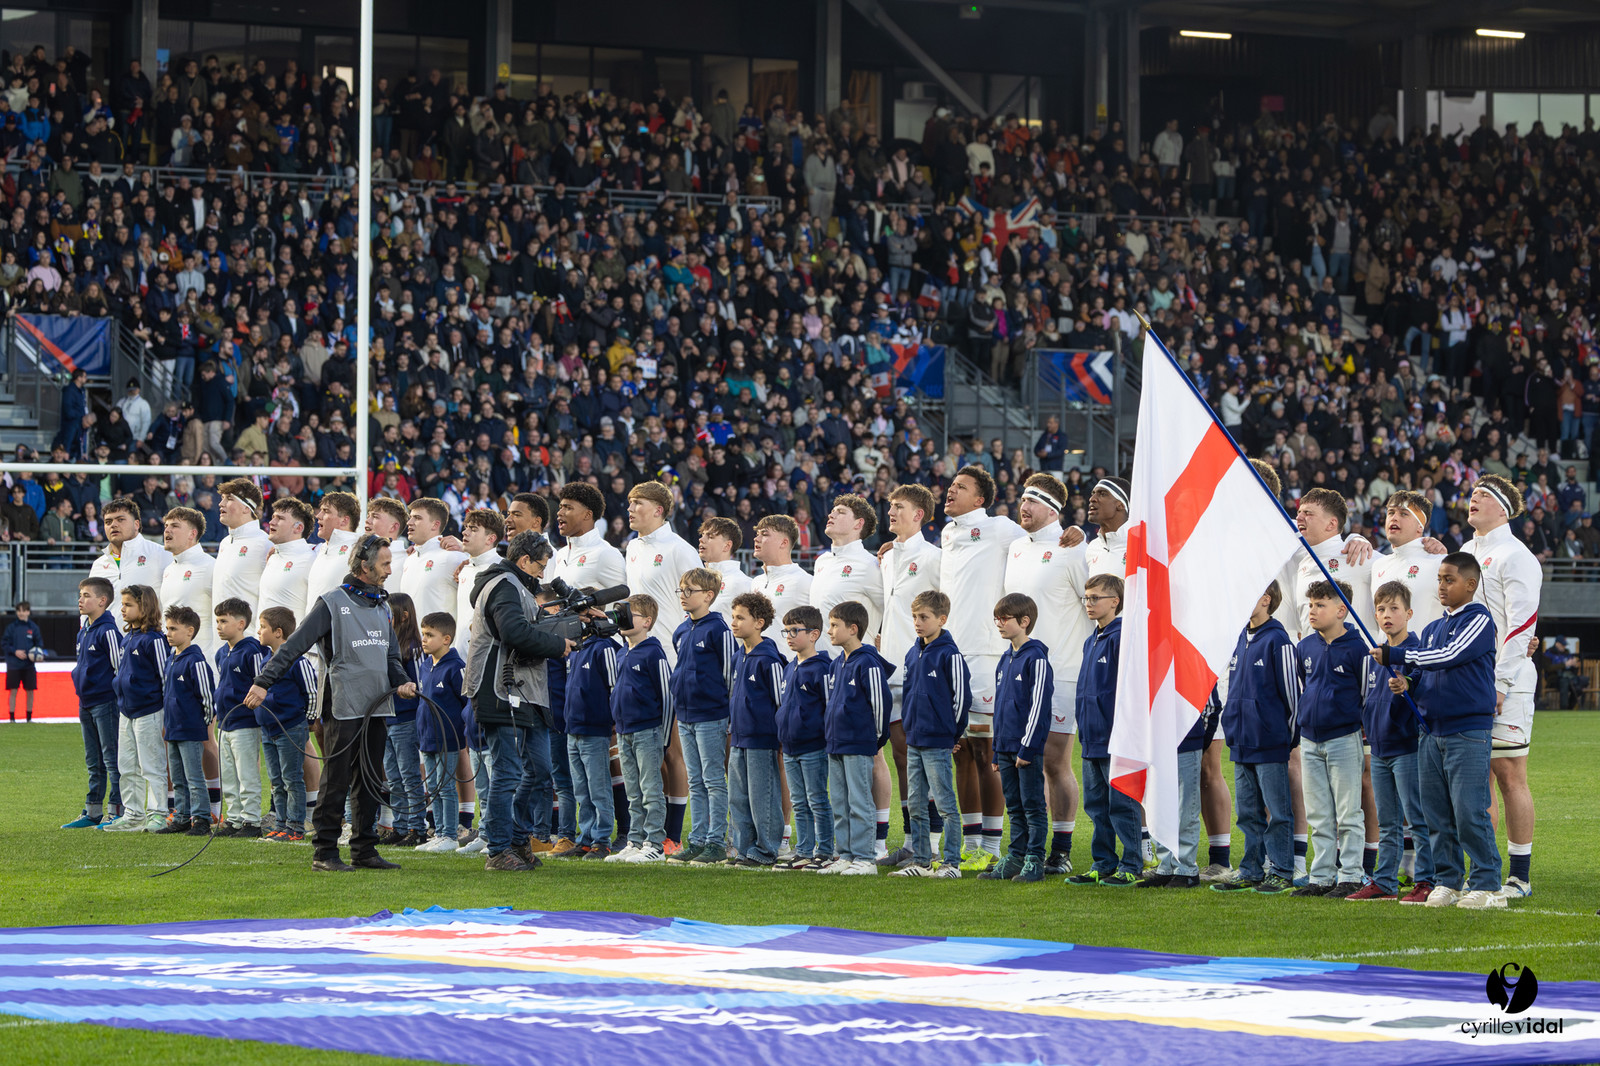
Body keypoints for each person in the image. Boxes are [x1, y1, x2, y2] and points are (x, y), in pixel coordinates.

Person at [245, 534, 418, 873]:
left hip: (377, 708)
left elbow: (392, 658)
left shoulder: (383, 606)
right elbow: (293, 646)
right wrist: (263, 682)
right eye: (384, 563)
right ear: (364, 566)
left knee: (371, 780)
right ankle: (324, 852)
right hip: (342, 706)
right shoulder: (331, 602)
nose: (389, 569)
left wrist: (404, 682)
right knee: (336, 780)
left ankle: (364, 850)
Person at [1375, 552, 1503, 909]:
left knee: (1468, 810)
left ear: (1470, 584)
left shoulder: (1479, 621)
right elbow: (1427, 673)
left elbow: (1449, 655)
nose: (1442, 586)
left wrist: (1396, 656)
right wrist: (1409, 685)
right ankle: (1449, 881)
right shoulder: (1431, 628)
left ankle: (1487, 882)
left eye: (1450, 579)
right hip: (1430, 731)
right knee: (1437, 813)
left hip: (1467, 730)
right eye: (1440, 579)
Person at [458, 529, 571, 871]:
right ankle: (498, 849)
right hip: (498, 688)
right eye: (540, 566)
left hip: (522, 690)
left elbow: (526, 627)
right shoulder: (505, 584)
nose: (542, 574)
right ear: (524, 560)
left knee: (536, 769)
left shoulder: (514, 585)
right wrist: (558, 646)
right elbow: (514, 632)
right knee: (507, 772)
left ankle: (518, 841)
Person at [1459, 475, 1542, 900]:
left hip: (1505, 683)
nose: (1473, 499)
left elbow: (1522, 623)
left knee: (1509, 773)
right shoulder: (1465, 553)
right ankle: (1484, 872)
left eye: (1483, 496)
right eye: (1471, 494)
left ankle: (1520, 876)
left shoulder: (1517, 555)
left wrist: (1503, 682)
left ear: (1503, 510)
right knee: (1477, 780)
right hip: (1468, 682)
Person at [941, 465, 1024, 868]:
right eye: (951, 485)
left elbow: (1039, 539)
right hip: (952, 655)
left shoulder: (1000, 528)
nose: (951, 490)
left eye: (961, 487)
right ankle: (971, 844)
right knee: (960, 751)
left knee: (986, 751)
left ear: (980, 499)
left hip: (987, 655)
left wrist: (1069, 534)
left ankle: (992, 846)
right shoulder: (946, 534)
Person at [1004, 473, 1087, 875]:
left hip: (1064, 670)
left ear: (1052, 510)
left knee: (1054, 760)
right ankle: (1028, 847)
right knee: (1024, 759)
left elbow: (1096, 603)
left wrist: (1080, 535)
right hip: (1020, 670)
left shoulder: (1072, 549)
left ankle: (1062, 847)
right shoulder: (1017, 547)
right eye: (1022, 499)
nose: (1024, 506)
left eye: (1032, 501)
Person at [623, 481, 698, 849]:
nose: (630, 508)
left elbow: (702, 600)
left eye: (638, 503)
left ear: (658, 509)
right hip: (637, 657)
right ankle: (645, 832)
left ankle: (673, 835)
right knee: (644, 749)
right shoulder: (632, 547)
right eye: (629, 503)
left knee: (672, 750)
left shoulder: (678, 549)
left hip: (671, 659)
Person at [1212, 582, 1300, 895]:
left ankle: (1281, 870)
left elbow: (1293, 696)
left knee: (1277, 812)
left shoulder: (1279, 640)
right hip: (1241, 740)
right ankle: (1250, 869)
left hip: (1270, 741)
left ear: (1266, 600)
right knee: (1248, 812)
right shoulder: (1239, 637)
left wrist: (1283, 737)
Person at [1348, 581, 1432, 903]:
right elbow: (1368, 698)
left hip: (1407, 747)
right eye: (1381, 609)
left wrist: (1407, 686)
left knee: (1418, 818)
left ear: (1408, 613)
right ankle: (1384, 881)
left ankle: (1425, 879)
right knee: (1387, 822)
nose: (1386, 615)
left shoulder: (1417, 651)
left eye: (1394, 609)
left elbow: (1424, 690)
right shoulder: (1373, 655)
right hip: (1379, 747)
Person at [1291, 579, 1368, 899]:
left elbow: (1365, 692)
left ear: (1342, 610)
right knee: (1319, 813)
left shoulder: (1358, 648)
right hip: (1310, 740)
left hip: (1343, 739)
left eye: (1320, 605)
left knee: (1348, 812)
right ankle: (1321, 876)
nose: (1312, 610)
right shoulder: (1305, 646)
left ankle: (1351, 874)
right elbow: (1302, 687)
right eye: (1311, 604)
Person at [876, 483, 940, 864]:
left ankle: (931, 842)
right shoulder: (886, 557)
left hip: (920, 669)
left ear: (919, 514)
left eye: (899, 507)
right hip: (890, 668)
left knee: (921, 758)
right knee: (901, 757)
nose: (891, 513)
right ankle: (913, 838)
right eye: (890, 507)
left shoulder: (934, 557)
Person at [1067, 574, 1140, 886]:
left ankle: (1132, 864)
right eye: (1086, 597)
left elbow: (1131, 689)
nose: (1089, 603)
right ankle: (1103, 862)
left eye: (1096, 597)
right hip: (1091, 737)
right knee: (1096, 806)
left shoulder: (1123, 637)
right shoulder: (1091, 639)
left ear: (1115, 601)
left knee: (1122, 803)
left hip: (1116, 737)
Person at [893, 590, 969, 878]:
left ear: (942, 619)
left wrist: (954, 735)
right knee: (915, 804)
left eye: (923, 617)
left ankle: (951, 863)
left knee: (946, 804)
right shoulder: (912, 653)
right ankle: (922, 862)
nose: (917, 623)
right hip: (915, 740)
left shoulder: (950, 655)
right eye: (914, 617)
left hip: (939, 741)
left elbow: (961, 699)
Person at [980, 592, 1053, 883]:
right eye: (996, 618)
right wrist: (997, 750)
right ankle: (1016, 856)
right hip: (1006, 747)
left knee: (1033, 804)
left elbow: (1039, 707)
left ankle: (1035, 859)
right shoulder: (1005, 659)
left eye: (1005, 618)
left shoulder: (1036, 659)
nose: (998, 623)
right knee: (1014, 805)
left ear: (1024, 621)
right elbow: (1000, 708)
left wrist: (1028, 747)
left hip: (1026, 750)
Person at [665, 567, 735, 866]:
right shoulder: (681, 630)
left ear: (709, 595)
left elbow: (729, 674)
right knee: (695, 780)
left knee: (713, 779)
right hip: (686, 714)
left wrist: (728, 716)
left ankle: (718, 841)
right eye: (681, 590)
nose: (683, 595)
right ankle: (698, 839)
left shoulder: (719, 630)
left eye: (689, 591)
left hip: (711, 714)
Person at [819, 600, 893, 876]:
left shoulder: (869, 663)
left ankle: (865, 857)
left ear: (853, 628)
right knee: (839, 801)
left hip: (859, 743)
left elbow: (880, 704)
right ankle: (846, 854)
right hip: (835, 742)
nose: (829, 631)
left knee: (859, 801)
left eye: (835, 625)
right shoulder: (837, 663)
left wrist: (875, 738)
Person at [159, 504, 220, 821]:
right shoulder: (169, 569)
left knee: (205, 737)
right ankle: (179, 808)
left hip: (203, 665)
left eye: (175, 525)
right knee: (173, 736)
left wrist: (215, 661)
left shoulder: (210, 566)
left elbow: (220, 616)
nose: (167, 529)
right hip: (175, 664)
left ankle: (214, 807)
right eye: (166, 524)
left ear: (193, 533)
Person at [608, 594, 672, 864]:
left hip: (648, 730)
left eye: (628, 614)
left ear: (647, 622)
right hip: (624, 731)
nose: (621, 620)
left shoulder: (654, 652)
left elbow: (667, 696)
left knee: (650, 788)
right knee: (633, 789)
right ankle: (635, 839)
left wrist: (664, 737)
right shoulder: (622, 652)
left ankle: (654, 842)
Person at [727, 591, 785, 867]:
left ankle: (766, 849)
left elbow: (781, 701)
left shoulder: (768, 659)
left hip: (762, 739)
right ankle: (744, 849)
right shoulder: (739, 656)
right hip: (739, 737)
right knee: (738, 797)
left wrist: (781, 737)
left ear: (759, 622)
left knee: (763, 797)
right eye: (733, 616)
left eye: (741, 618)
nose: (734, 622)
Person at [560, 599, 622, 860]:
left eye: (582, 616)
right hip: (573, 728)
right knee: (581, 789)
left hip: (595, 730)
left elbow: (614, 688)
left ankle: (602, 839)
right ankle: (585, 838)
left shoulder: (605, 647)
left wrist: (612, 724)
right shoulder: (576, 649)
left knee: (598, 788)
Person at [103, 584, 167, 832]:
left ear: (145, 607)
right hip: (125, 712)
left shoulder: (155, 640)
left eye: (129, 604)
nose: (123, 609)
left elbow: (164, 678)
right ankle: (133, 813)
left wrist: (164, 714)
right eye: (123, 604)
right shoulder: (127, 637)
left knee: (151, 765)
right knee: (126, 765)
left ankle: (158, 813)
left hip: (149, 711)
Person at [775, 606, 834, 871]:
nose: (789, 636)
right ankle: (804, 850)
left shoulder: (822, 668)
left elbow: (829, 707)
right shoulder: (789, 667)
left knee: (817, 799)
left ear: (814, 634)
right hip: (790, 746)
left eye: (795, 631)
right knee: (799, 801)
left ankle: (824, 851)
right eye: (786, 630)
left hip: (813, 746)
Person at [64, 577, 123, 829]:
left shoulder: (108, 631)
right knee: (93, 760)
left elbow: (119, 668)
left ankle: (117, 811)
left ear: (102, 600)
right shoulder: (84, 631)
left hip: (105, 702)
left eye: (86, 595)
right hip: (86, 702)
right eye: (80, 594)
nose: (80, 599)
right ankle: (93, 811)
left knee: (112, 759)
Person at [254, 606, 316, 843]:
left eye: (263, 627)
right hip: (268, 730)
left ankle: (295, 827)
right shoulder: (264, 661)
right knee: (276, 780)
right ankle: (280, 824)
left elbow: (311, 692)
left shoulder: (297, 660)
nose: (258, 631)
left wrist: (307, 721)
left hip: (290, 728)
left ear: (278, 632)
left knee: (291, 779)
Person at [212, 598, 267, 838]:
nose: (219, 626)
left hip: (245, 722)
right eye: (217, 621)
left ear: (241, 623)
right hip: (224, 724)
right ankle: (233, 820)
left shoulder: (253, 651)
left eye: (224, 621)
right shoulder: (221, 653)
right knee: (229, 776)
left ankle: (251, 821)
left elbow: (261, 682)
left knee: (246, 774)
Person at [158, 605, 214, 836]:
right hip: (173, 728)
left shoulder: (196, 661)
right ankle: (182, 815)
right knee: (178, 777)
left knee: (193, 776)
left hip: (190, 728)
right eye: (167, 628)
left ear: (189, 631)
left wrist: (203, 722)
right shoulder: (172, 659)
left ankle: (201, 819)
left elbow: (207, 696)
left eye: (173, 629)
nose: (168, 633)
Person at [416, 611, 468, 852]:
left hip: (448, 737)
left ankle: (449, 834)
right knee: (433, 786)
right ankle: (439, 832)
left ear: (446, 639)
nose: (423, 639)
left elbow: (466, 702)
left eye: (430, 635)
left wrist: (463, 732)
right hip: (426, 738)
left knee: (446, 786)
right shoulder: (425, 666)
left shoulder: (456, 667)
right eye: (423, 633)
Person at [378, 593, 426, 847]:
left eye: (389, 614)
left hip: (406, 720)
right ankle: (399, 825)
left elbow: (421, 688)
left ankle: (417, 827)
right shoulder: (386, 645)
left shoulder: (415, 649)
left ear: (403, 616)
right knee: (394, 777)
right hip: (387, 719)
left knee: (409, 775)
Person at [1372, 491, 1445, 633]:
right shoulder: (1378, 565)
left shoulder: (1440, 563)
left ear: (1420, 527)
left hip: (1423, 654)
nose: (1394, 518)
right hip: (1385, 654)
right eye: (1391, 512)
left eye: (1404, 514)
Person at [749, 515, 813, 656]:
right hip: (756, 668)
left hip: (788, 671)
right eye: (757, 534)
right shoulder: (756, 582)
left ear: (783, 543)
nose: (756, 539)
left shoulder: (804, 581)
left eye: (764, 534)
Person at [89, 497, 172, 601]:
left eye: (120, 520)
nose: (113, 525)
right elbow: (90, 607)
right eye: (108, 522)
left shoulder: (161, 554)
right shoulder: (98, 565)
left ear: (136, 524)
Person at [547, 483, 625, 591]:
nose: (560, 512)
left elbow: (625, 600)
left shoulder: (606, 554)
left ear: (587, 515)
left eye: (568, 508)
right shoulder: (561, 554)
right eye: (561, 507)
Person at [402, 498, 469, 622]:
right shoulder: (409, 560)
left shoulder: (453, 556)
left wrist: (466, 552)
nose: (409, 522)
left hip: (445, 640)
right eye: (410, 517)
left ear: (435, 524)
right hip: (410, 640)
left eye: (417, 518)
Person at [211, 478, 270, 615]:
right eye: (222, 498)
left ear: (246, 507)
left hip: (249, 634)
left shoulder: (264, 544)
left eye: (229, 499)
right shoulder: (225, 543)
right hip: (219, 634)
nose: (221, 504)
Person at [258, 498, 316, 619]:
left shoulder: (311, 559)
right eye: (273, 517)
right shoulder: (273, 557)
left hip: (294, 637)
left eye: (280, 518)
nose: (271, 522)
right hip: (262, 636)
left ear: (298, 528)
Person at [699, 517, 753, 621]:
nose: (701, 539)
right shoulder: (695, 580)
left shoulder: (742, 583)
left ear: (727, 546)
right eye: (702, 535)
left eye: (710, 536)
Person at [3, 600, 42, 723]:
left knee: (30, 691)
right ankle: (12, 718)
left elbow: (39, 644)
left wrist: (36, 654)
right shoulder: (11, 627)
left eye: (24, 610)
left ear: (28, 612)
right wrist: (15, 651)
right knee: (13, 690)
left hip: (29, 665)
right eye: (19, 610)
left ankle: (29, 718)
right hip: (13, 665)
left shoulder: (33, 628)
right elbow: (4, 643)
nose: (21, 613)